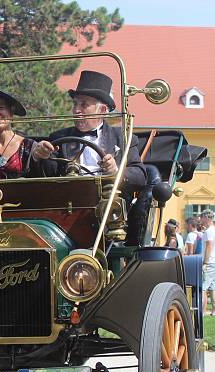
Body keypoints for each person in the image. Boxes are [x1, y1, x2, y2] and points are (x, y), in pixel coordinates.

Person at [34, 70, 148, 244]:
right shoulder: (59, 137)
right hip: (68, 211)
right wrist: (42, 156)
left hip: (108, 212)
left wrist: (115, 171)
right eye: (75, 104)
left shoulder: (123, 138)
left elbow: (140, 175)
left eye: (84, 105)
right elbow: (47, 176)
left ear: (102, 110)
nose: (76, 111)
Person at [200, 210, 215, 316]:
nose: (201, 219)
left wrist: (205, 262)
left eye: (202, 217)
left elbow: (209, 246)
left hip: (210, 262)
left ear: (207, 218)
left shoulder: (209, 231)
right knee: (213, 288)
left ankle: (202, 312)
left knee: (203, 288)